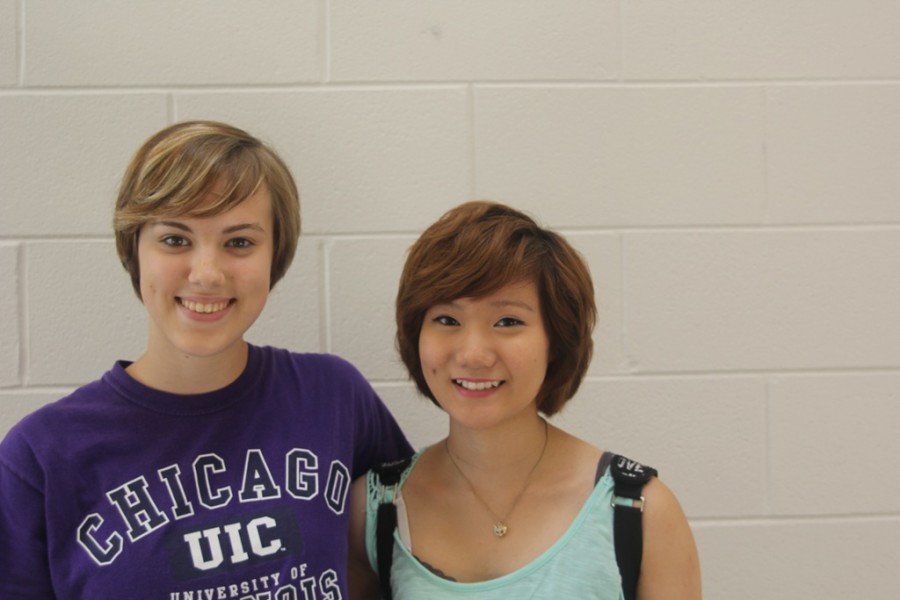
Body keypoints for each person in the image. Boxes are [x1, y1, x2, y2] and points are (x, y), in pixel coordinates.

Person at [0, 121, 412, 598]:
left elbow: (417, 549)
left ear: (275, 256)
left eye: (239, 242)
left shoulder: (333, 396)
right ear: (135, 249)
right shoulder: (40, 457)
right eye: (175, 239)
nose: (207, 273)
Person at [348, 201, 701, 599]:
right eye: (447, 320)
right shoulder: (373, 509)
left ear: (556, 341)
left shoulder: (639, 511)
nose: (474, 354)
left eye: (508, 322)